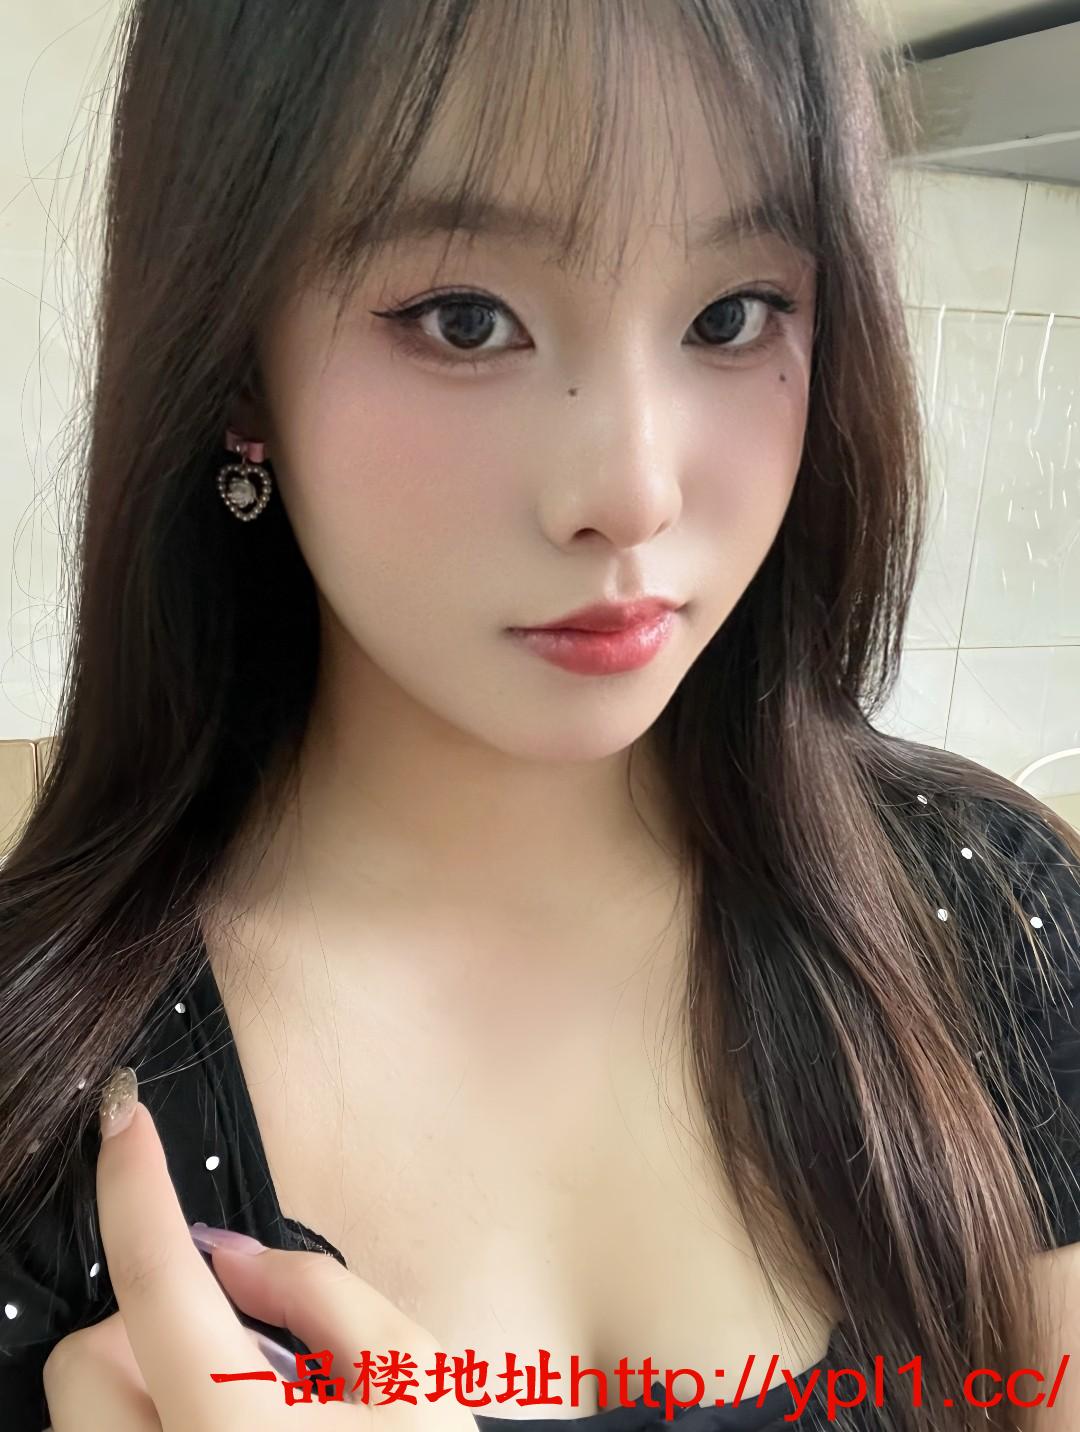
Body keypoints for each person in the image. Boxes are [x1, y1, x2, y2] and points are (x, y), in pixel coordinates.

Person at [0, 0, 1078, 1428]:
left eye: (731, 315)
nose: (632, 490)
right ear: (238, 360)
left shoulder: (993, 911)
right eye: (465, 318)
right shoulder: (40, 1111)